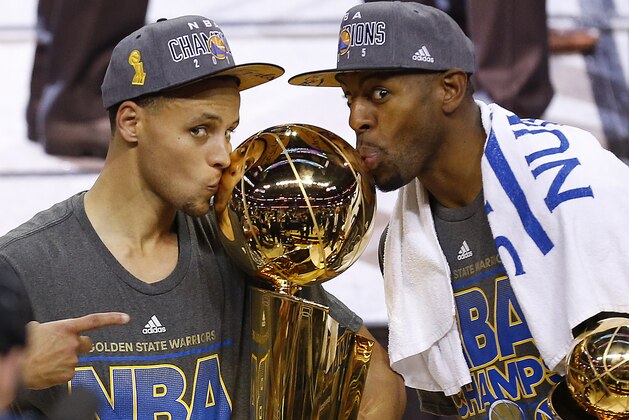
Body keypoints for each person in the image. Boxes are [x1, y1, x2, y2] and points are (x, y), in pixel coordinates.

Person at [1, 15, 405, 419]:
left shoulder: (241, 242)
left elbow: (378, 382)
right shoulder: (21, 264)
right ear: (130, 122)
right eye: (199, 130)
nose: (224, 156)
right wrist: (15, 373)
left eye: (229, 131)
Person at [288, 2, 629, 418]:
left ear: (449, 89)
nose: (357, 118)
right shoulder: (402, 248)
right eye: (350, 97)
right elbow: (448, 405)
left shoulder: (580, 185)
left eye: (379, 93)